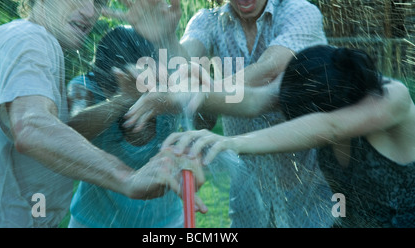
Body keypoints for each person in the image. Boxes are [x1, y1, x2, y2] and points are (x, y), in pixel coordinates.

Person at [0, 0, 199, 228]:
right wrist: (127, 178)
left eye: (99, 1)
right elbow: (31, 127)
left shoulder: (18, 41)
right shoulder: (31, 40)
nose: (90, 12)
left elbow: (199, 98)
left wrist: (167, 38)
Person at [111, 0, 334, 227]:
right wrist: (165, 39)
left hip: (312, 197)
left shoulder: (300, 13)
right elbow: (184, 62)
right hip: (247, 198)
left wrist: (198, 92)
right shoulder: (208, 21)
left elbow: (268, 70)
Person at [163, 45, 415, 228]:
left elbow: (330, 126)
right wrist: (188, 95)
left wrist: (233, 142)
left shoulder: (393, 97)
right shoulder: (323, 86)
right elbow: (256, 100)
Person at [66, 26, 202, 228]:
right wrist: (123, 99)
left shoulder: (166, 88)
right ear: (102, 77)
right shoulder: (86, 86)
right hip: (95, 221)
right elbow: (72, 131)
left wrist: (189, 94)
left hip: (164, 223)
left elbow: (205, 121)